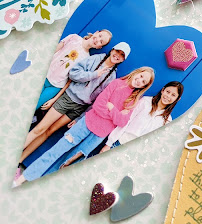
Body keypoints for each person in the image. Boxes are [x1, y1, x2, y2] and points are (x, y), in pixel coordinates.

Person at [14, 67, 155, 185]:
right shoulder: (116, 83)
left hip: (98, 136)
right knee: (56, 151)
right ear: (137, 72)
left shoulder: (134, 100)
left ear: (144, 87)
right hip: (85, 124)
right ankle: (23, 178)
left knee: (67, 163)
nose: (140, 80)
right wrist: (116, 115)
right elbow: (98, 106)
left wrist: (112, 108)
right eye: (141, 76)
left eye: (143, 82)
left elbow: (122, 122)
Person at [18, 42, 131, 167]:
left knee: (49, 131)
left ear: (123, 60)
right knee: (40, 128)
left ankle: (20, 159)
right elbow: (73, 73)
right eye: (117, 51)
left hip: (79, 108)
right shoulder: (96, 59)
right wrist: (94, 74)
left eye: (122, 55)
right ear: (112, 50)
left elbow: (97, 100)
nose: (118, 55)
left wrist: (80, 118)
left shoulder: (112, 77)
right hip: (68, 98)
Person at [35, 30, 113, 110]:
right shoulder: (73, 37)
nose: (97, 40)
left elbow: (70, 81)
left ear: (99, 47)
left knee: (33, 106)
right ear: (96, 32)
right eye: (100, 36)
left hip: (55, 86)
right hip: (43, 74)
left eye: (101, 42)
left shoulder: (87, 59)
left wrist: (54, 99)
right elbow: (52, 51)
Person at [99, 81, 184, 153]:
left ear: (177, 99)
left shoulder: (168, 120)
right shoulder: (145, 102)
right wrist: (109, 143)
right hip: (120, 143)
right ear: (163, 90)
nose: (168, 96)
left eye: (173, 95)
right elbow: (127, 121)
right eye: (168, 92)